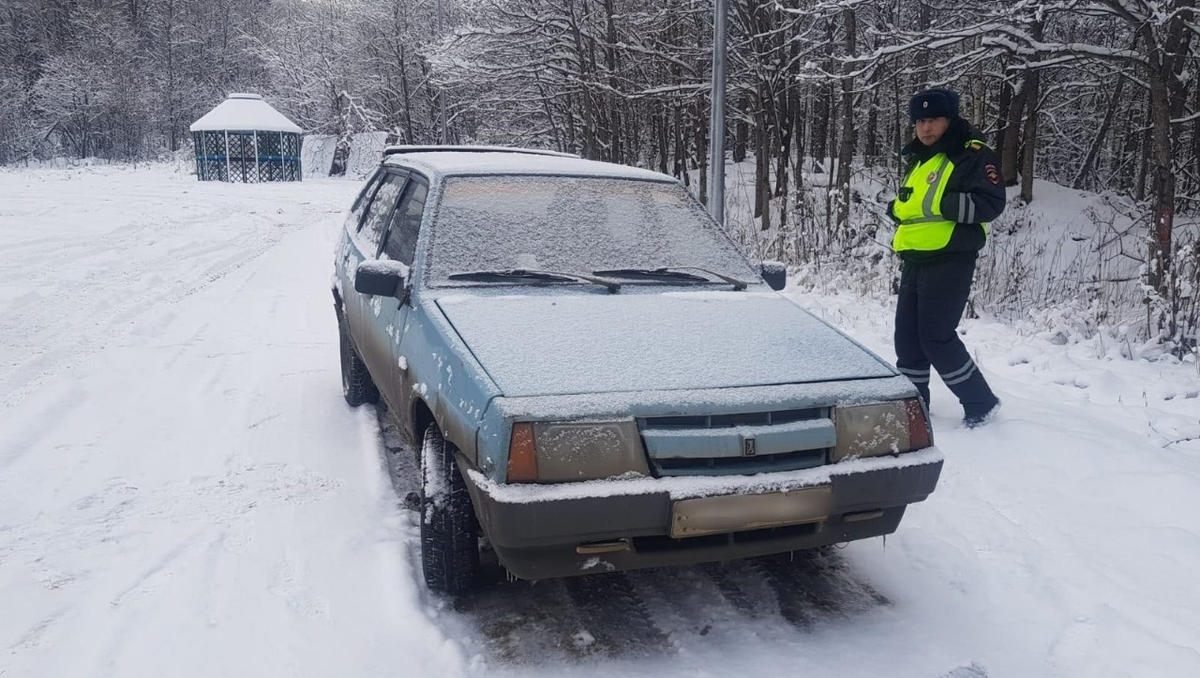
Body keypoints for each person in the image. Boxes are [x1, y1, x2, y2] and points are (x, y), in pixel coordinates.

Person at [888, 88, 1004, 428]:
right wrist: (896, 209)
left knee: (936, 336)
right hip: (914, 259)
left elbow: (992, 202)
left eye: (933, 120)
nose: (925, 128)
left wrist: (948, 205)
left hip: (951, 258)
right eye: (920, 121)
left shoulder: (971, 154)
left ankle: (980, 402)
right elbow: (915, 205)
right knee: (907, 338)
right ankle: (914, 405)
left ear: (949, 120)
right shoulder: (920, 158)